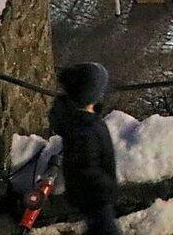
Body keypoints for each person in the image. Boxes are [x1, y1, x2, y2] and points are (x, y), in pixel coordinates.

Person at [48, 64, 118, 235]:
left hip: (95, 199)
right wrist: (106, 187)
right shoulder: (84, 129)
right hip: (96, 199)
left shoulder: (87, 122)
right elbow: (85, 168)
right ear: (91, 94)